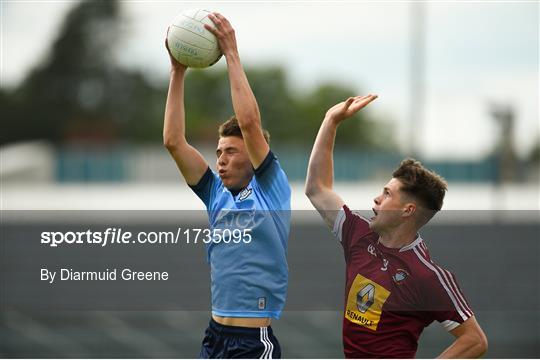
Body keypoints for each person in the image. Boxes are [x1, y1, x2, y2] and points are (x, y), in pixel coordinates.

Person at [304, 95, 488, 358]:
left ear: (408, 210)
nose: (377, 199)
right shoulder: (360, 235)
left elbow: (475, 340)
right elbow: (317, 189)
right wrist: (330, 121)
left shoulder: (426, 276)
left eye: (387, 194)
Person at [163, 12, 290, 359]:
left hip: (251, 344)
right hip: (214, 337)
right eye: (218, 152)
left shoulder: (272, 190)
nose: (220, 159)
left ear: (253, 155)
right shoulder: (216, 195)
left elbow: (249, 122)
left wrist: (231, 54)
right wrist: (178, 71)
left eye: (231, 152)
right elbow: (174, 141)